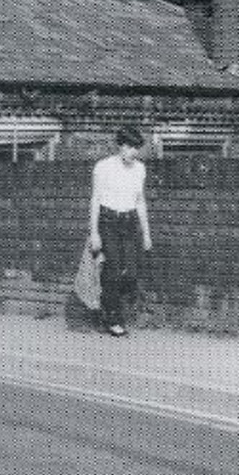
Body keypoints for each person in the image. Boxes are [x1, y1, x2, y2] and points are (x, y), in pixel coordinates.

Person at [89, 126, 153, 337]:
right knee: (114, 271)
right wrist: (94, 233)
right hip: (108, 221)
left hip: (129, 222)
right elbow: (95, 199)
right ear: (120, 146)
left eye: (136, 148)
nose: (133, 152)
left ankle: (107, 303)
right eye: (128, 147)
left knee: (131, 273)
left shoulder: (140, 169)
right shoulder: (103, 167)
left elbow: (140, 201)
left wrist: (146, 233)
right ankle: (113, 319)